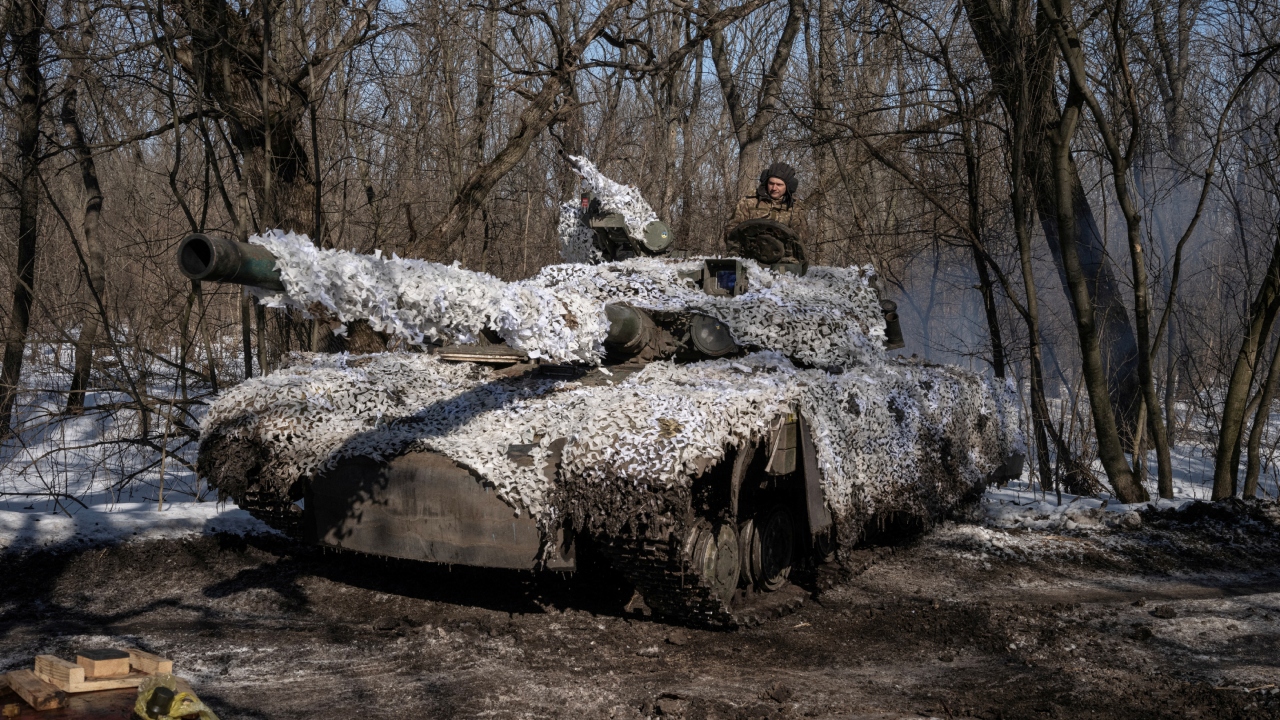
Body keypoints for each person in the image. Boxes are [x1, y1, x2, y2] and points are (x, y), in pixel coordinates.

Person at [725, 162, 809, 247]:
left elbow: (801, 239)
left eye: (779, 185)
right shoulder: (749, 202)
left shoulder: (795, 208)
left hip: (783, 256)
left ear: (788, 187)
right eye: (771, 183)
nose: (774, 188)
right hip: (749, 253)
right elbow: (731, 231)